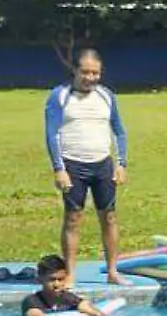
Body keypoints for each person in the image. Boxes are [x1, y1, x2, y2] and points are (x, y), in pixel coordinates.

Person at [44, 49, 129, 284]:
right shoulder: (59, 96)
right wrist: (59, 168)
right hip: (73, 165)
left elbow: (119, 131)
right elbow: (52, 134)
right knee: (73, 218)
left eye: (96, 73)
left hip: (103, 165)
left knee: (109, 217)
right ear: (75, 70)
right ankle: (70, 274)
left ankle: (113, 271)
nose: (90, 77)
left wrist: (121, 164)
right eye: (86, 72)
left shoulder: (106, 96)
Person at [21, 254, 110, 316]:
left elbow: (97, 315)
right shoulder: (32, 301)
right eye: (51, 280)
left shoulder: (69, 298)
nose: (57, 284)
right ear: (40, 279)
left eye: (60, 279)